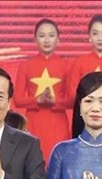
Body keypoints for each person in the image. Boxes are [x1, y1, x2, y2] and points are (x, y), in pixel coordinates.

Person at [14, 18, 71, 161]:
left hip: (57, 122)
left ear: (58, 39)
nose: (46, 40)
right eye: (42, 35)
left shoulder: (67, 66)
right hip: (33, 122)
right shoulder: (26, 66)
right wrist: (37, 100)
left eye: (51, 35)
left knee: (57, 161)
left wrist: (54, 101)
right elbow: (17, 100)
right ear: (35, 39)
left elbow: (72, 100)